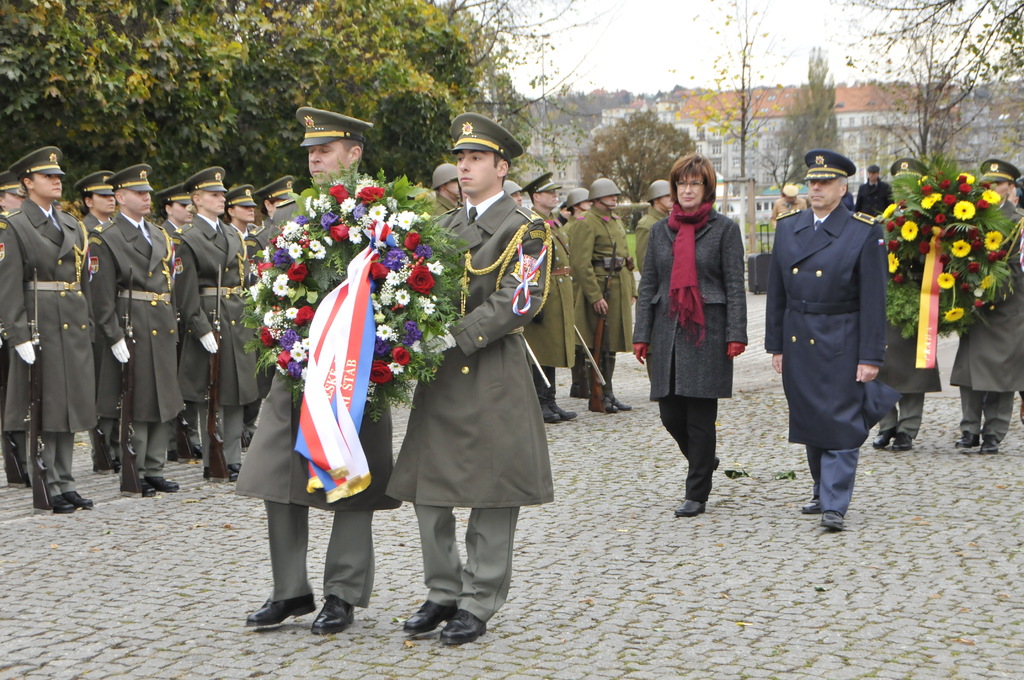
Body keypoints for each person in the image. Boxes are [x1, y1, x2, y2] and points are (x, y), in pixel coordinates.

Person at [388, 113, 553, 645]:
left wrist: (456, 334)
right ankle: (442, 590)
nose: (464, 166)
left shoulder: (525, 228)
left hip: (490, 371)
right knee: (429, 490)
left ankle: (480, 599)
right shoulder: (444, 228)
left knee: (492, 489)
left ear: (502, 168)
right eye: (460, 159)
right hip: (441, 377)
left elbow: (521, 298)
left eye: (476, 158)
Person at [236, 106, 401, 636]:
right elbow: (264, 293)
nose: (314, 159)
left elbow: (403, 293)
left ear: (354, 154)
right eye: (309, 151)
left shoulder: (382, 220)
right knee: (277, 477)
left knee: (351, 479)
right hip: (296, 374)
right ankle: (289, 591)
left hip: (357, 376)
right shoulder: (287, 220)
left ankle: (342, 593)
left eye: (324, 150)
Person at [765, 149, 897, 532]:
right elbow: (777, 291)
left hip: (843, 335)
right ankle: (822, 488)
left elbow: (874, 298)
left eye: (825, 182)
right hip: (799, 333)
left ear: (843, 187)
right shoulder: (789, 226)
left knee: (839, 418)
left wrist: (871, 355)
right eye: (812, 182)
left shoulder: (864, 229)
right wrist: (776, 345)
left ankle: (835, 503)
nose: (817, 188)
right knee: (811, 416)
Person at [633, 155, 747, 517]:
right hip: (667, 330)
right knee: (670, 415)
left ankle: (696, 493)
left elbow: (734, 285)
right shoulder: (659, 231)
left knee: (699, 417)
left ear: (706, 188)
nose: (687, 190)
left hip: (707, 332)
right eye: (681, 184)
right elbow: (649, 281)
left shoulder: (725, 229)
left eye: (694, 183)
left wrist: (736, 333)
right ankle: (704, 458)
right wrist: (641, 333)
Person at [0, 147, 97, 514]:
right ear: (27, 183)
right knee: (43, 405)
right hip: (40, 323)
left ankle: (66, 480)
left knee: (69, 404)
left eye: (58, 176)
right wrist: (18, 333)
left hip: (70, 322)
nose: (56, 181)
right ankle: (46, 481)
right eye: (47, 177)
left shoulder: (72, 224)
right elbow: (7, 286)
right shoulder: (13, 225)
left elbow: (81, 281)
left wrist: (86, 325)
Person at [89, 164, 184, 496]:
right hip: (133, 321)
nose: (146, 198)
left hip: (159, 319)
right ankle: (136, 468)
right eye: (139, 193)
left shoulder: (158, 234)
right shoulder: (106, 237)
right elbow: (100, 296)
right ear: (120, 197)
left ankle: (155, 467)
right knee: (140, 399)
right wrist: (113, 335)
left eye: (147, 193)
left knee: (163, 397)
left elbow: (169, 282)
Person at [173, 166, 256, 482]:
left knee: (236, 394)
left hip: (235, 318)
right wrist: (201, 328)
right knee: (211, 395)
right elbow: (185, 292)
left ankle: (232, 457)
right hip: (209, 316)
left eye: (222, 194)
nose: (221, 199)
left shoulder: (232, 233)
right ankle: (213, 458)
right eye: (213, 194)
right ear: (196, 199)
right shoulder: (188, 238)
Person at [949, 159, 1024, 454]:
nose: (991, 188)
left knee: (1001, 370)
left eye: (998, 183)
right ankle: (969, 428)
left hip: (1008, 305)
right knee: (969, 371)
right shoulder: (969, 217)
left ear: (1009, 188)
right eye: (987, 183)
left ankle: (994, 431)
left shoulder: (1019, 222)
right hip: (973, 302)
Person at [872, 158, 941, 452]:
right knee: (881, 364)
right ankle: (886, 425)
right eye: (899, 183)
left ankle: (908, 428)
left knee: (914, 366)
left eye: (909, 183)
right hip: (885, 297)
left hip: (917, 298)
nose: (903, 189)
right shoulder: (883, 220)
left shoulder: (930, 221)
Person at [569, 177, 636, 413]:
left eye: (616, 194)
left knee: (611, 344)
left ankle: (609, 393)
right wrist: (595, 296)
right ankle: (598, 393)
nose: (614, 197)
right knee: (598, 344)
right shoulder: (586, 223)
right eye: (609, 195)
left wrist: (632, 289)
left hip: (617, 288)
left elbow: (627, 258)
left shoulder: (615, 221)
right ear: (596, 199)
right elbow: (580, 263)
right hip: (600, 288)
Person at [521, 172, 576, 423]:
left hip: (557, 289)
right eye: (550, 193)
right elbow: (529, 262)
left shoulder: (550, 221)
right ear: (536, 196)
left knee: (552, 347)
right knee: (541, 349)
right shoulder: (532, 223)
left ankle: (550, 399)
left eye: (556, 192)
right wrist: (533, 296)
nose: (556, 196)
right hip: (544, 291)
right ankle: (540, 402)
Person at [223, 184, 273, 449]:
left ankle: (248, 424)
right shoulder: (228, 237)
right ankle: (234, 428)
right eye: (244, 207)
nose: (250, 211)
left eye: (252, 206)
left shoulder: (254, 236)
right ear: (230, 210)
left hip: (254, 311)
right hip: (233, 310)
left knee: (256, 372)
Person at [635, 179, 671, 278]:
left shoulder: (672, 221)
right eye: (667, 196)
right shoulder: (646, 224)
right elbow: (644, 263)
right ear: (655, 199)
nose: (672, 199)